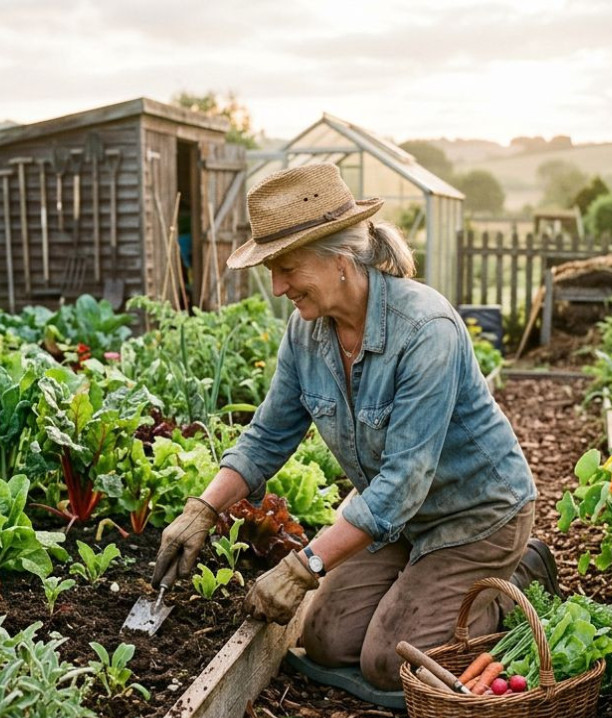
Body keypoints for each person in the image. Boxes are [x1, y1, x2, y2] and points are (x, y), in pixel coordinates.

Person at [150, 162, 558, 691]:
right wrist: (201, 510)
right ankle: (422, 579)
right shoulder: (306, 334)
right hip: (401, 523)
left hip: (476, 517)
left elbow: (402, 483)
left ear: (340, 258)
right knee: (326, 639)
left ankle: (519, 571)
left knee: (391, 665)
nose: (277, 287)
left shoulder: (423, 329)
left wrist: (304, 568)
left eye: (286, 268)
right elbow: (268, 435)